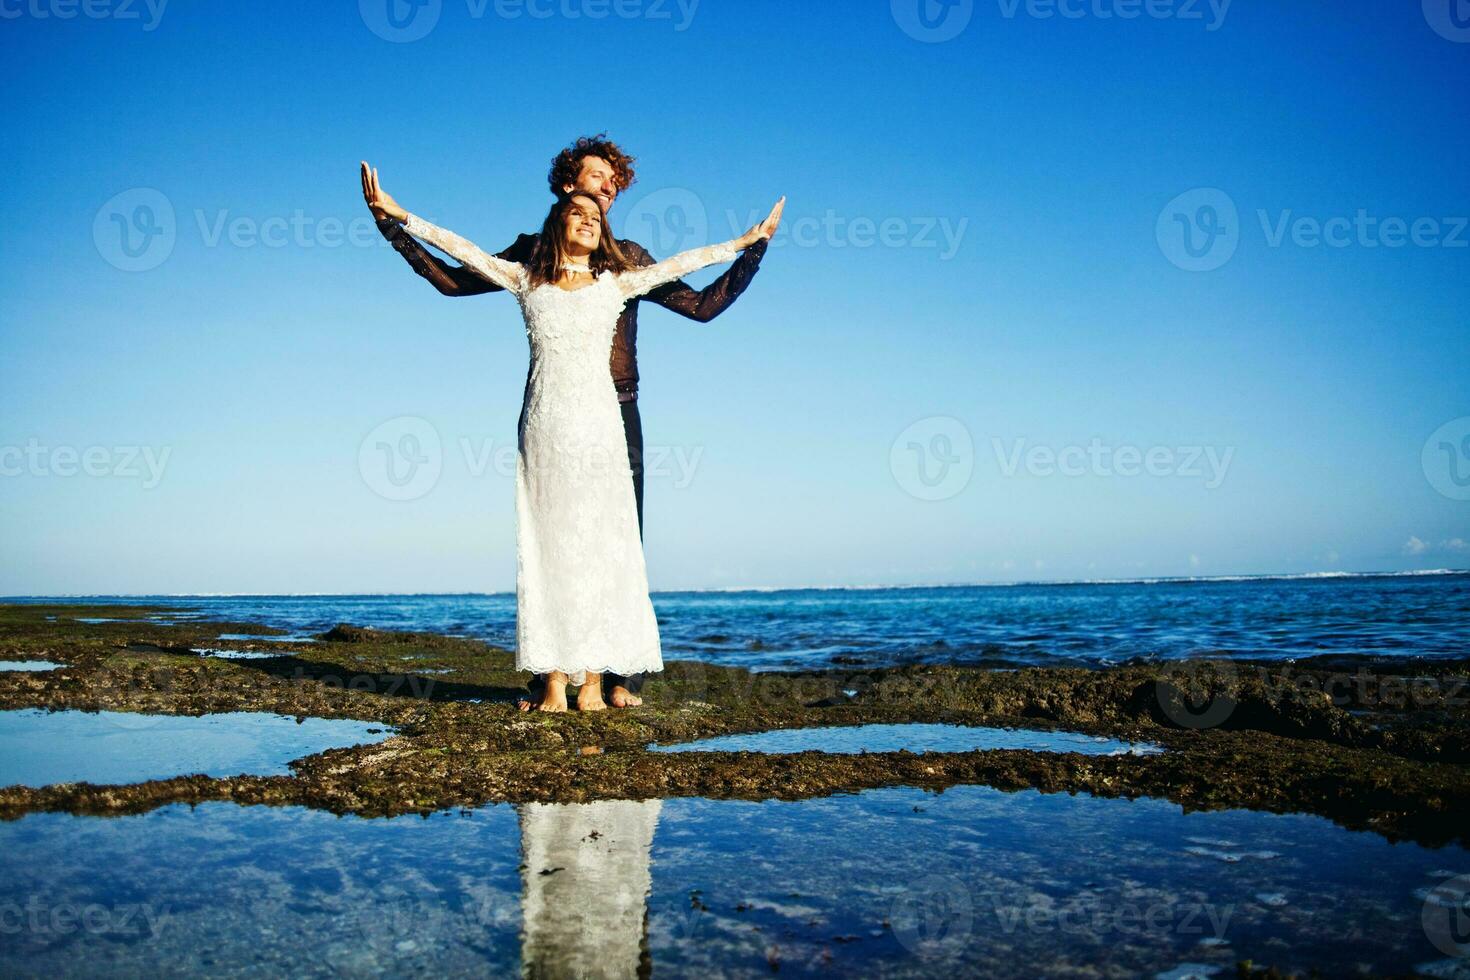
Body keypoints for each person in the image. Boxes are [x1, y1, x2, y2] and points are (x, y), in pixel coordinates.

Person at [366, 135, 772, 710]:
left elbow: (701, 301)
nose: (607, 189)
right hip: (548, 415)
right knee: (551, 537)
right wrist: (395, 222)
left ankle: (612, 676)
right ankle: (551, 676)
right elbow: (458, 271)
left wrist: (750, 247)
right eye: (595, 179)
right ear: (564, 190)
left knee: (615, 539)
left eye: (614, 182)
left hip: (614, 411)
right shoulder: (530, 259)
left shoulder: (625, 261)